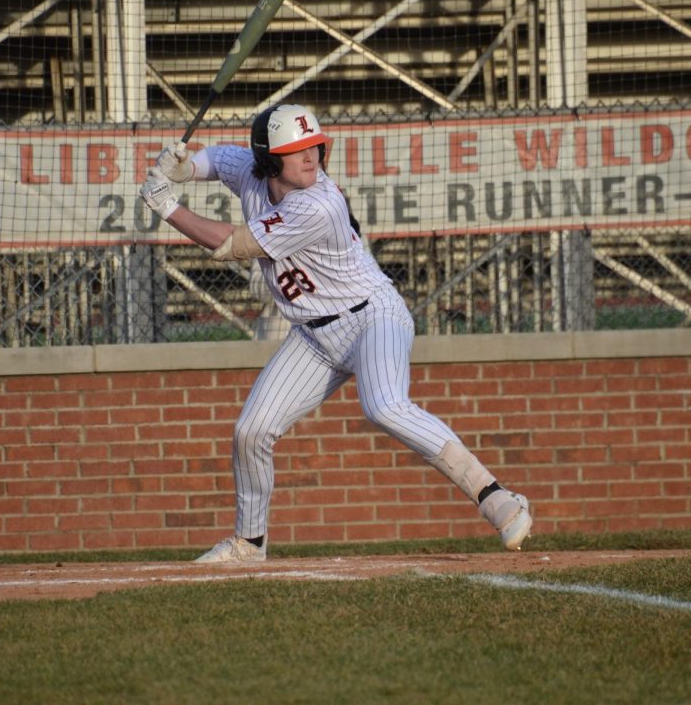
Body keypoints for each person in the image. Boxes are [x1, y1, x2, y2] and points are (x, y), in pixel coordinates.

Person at [140, 104, 533, 562]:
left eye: (315, 146)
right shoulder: (251, 168)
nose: (311, 156)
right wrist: (185, 166)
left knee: (384, 406)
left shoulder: (318, 203)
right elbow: (218, 160)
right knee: (251, 430)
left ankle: (497, 498)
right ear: (269, 161)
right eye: (296, 150)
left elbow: (231, 245)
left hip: (371, 317)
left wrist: (167, 205)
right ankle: (250, 544)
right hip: (313, 335)